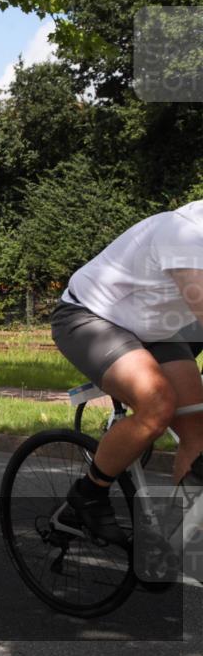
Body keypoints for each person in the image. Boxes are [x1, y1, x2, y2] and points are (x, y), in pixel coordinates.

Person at [52, 200, 203, 547]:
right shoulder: (184, 234)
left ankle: (185, 546)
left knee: (197, 427)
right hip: (89, 316)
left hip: (154, 328)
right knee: (158, 404)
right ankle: (89, 493)